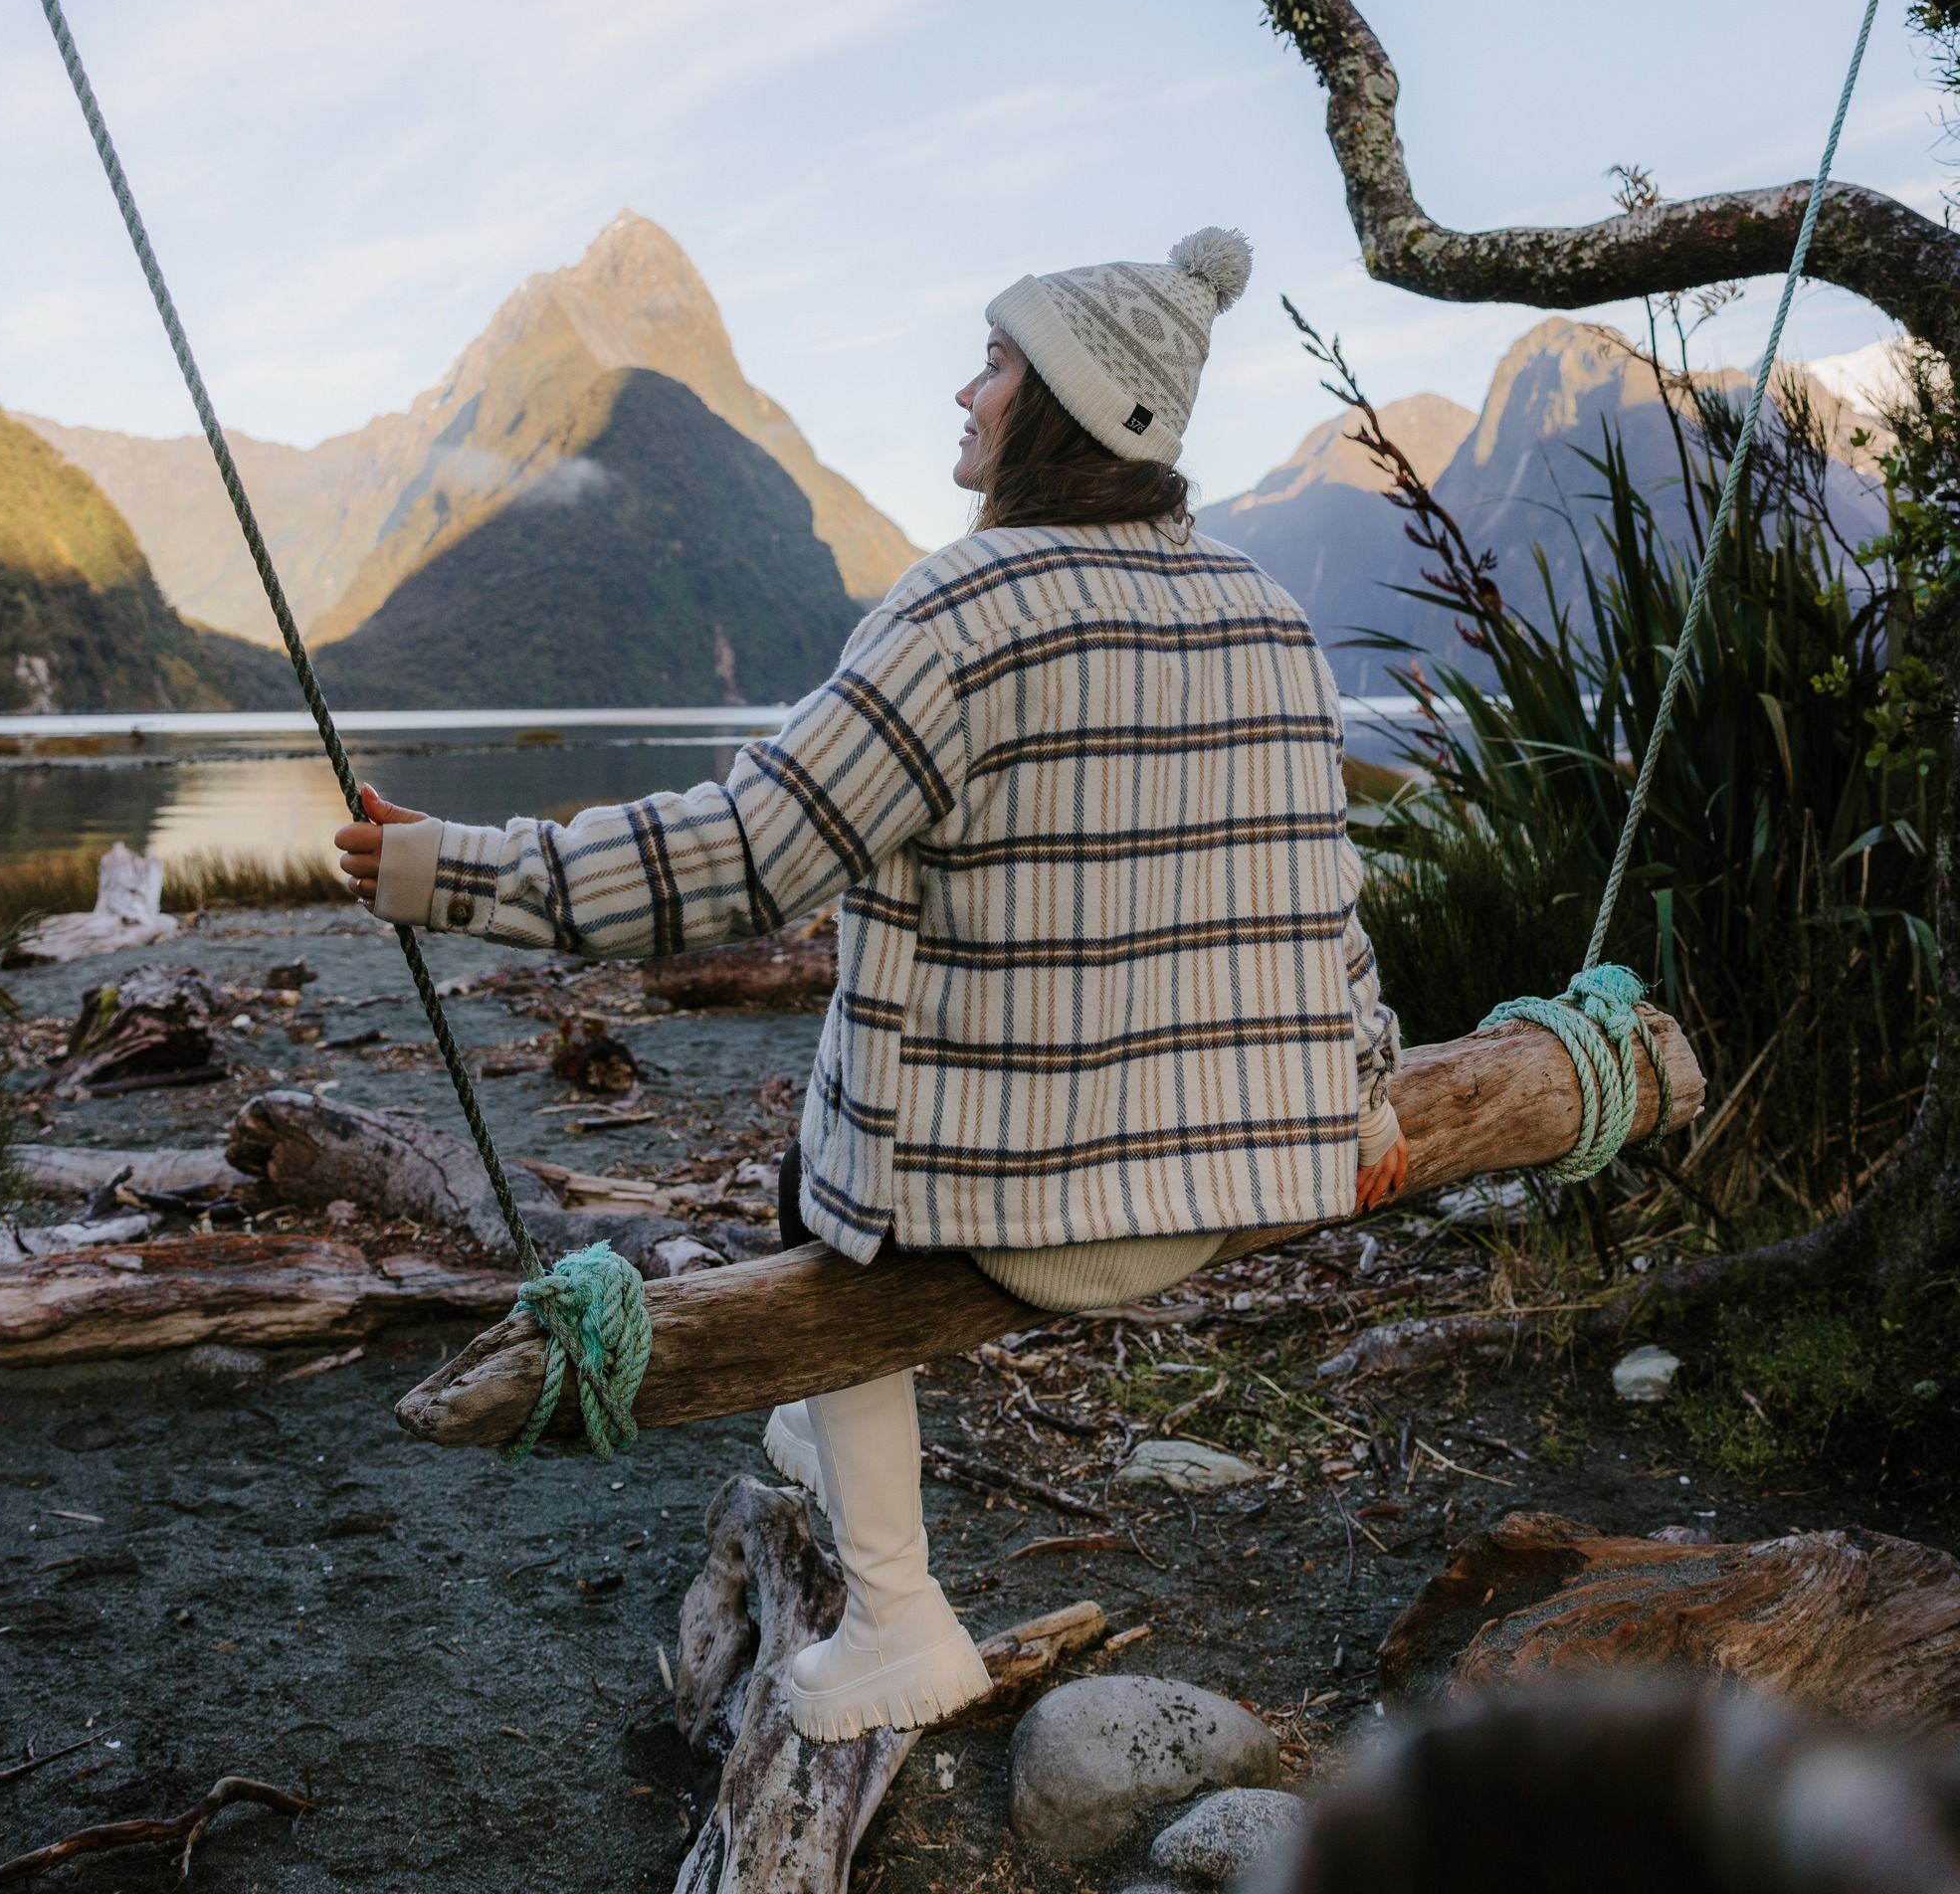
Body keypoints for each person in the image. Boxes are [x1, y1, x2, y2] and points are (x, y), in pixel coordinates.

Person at [336, 226, 1407, 1744]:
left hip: (1009, 1222)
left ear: (1075, 407)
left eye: (995, 362)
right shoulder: (1276, 625)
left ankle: (900, 1619)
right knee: (849, 1153)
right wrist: (1365, 1104)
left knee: (814, 1188)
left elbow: (747, 860)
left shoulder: (962, 616)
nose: (964, 390)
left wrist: (451, 872)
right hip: (1216, 1195)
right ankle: (831, 1441)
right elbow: (1331, 908)